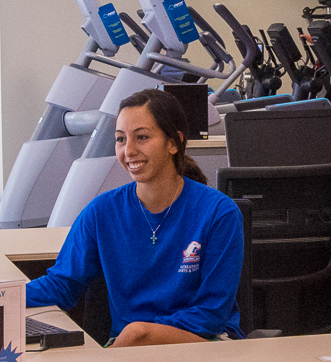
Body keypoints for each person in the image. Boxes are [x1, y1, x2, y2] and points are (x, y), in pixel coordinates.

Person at [23, 88, 242, 347]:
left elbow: (211, 314)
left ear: (174, 142)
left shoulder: (219, 213)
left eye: (142, 137)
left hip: (203, 343)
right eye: (120, 139)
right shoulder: (101, 212)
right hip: (130, 346)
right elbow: (62, 285)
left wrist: (140, 334)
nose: (128, 150)